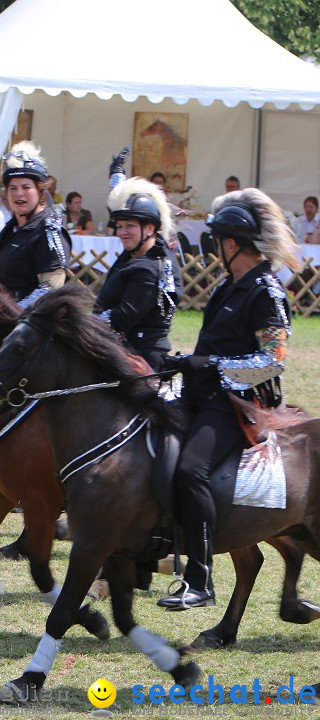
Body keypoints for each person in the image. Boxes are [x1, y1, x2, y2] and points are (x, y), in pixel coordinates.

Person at [159, 188, 300, 611]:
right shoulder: (227, 286)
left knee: (191, 469)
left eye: (217, 241)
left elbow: (273, 360)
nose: (213, 249)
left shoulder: (266, 291)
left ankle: (199, 579)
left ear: (232, 243)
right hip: (200, 394)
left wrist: (213, 366)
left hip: (236, 405)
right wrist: (185, 364)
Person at [95, 176, 180, 372]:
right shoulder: (134, 255)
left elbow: (121, 319)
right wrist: (117, 182)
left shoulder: (149, 268)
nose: (122, 232)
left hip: (139, 361)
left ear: (150, 228)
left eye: (130, 226)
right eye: (119, 226)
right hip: (122, 352)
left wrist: (81, 324)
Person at [0, 141, 71, 306]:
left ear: (40, 190)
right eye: (12, 188)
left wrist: (9, 313)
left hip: (27, 326)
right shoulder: (10, 229)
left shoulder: (49, 231)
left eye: (26, 187)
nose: (19, 194)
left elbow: (50, 291)